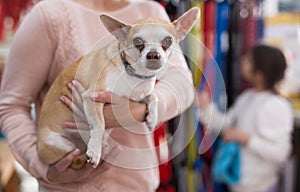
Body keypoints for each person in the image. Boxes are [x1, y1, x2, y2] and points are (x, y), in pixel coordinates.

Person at [0, 0, 194, 191]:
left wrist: (136, 111)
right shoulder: (49, 16)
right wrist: (43, 168)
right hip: (66, 186)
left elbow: (183, 85)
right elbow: (11, 106)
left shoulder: (151, 9)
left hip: (139, 184)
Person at [197, 44, 293, 192]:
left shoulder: (276, 106)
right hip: (238, 183)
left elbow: (280, 153)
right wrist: (205, 107)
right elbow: (227, 125)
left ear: (260, 74)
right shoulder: (248, 97)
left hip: (260, 187)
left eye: (248, 61)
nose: (242, 61)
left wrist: (245, 138)